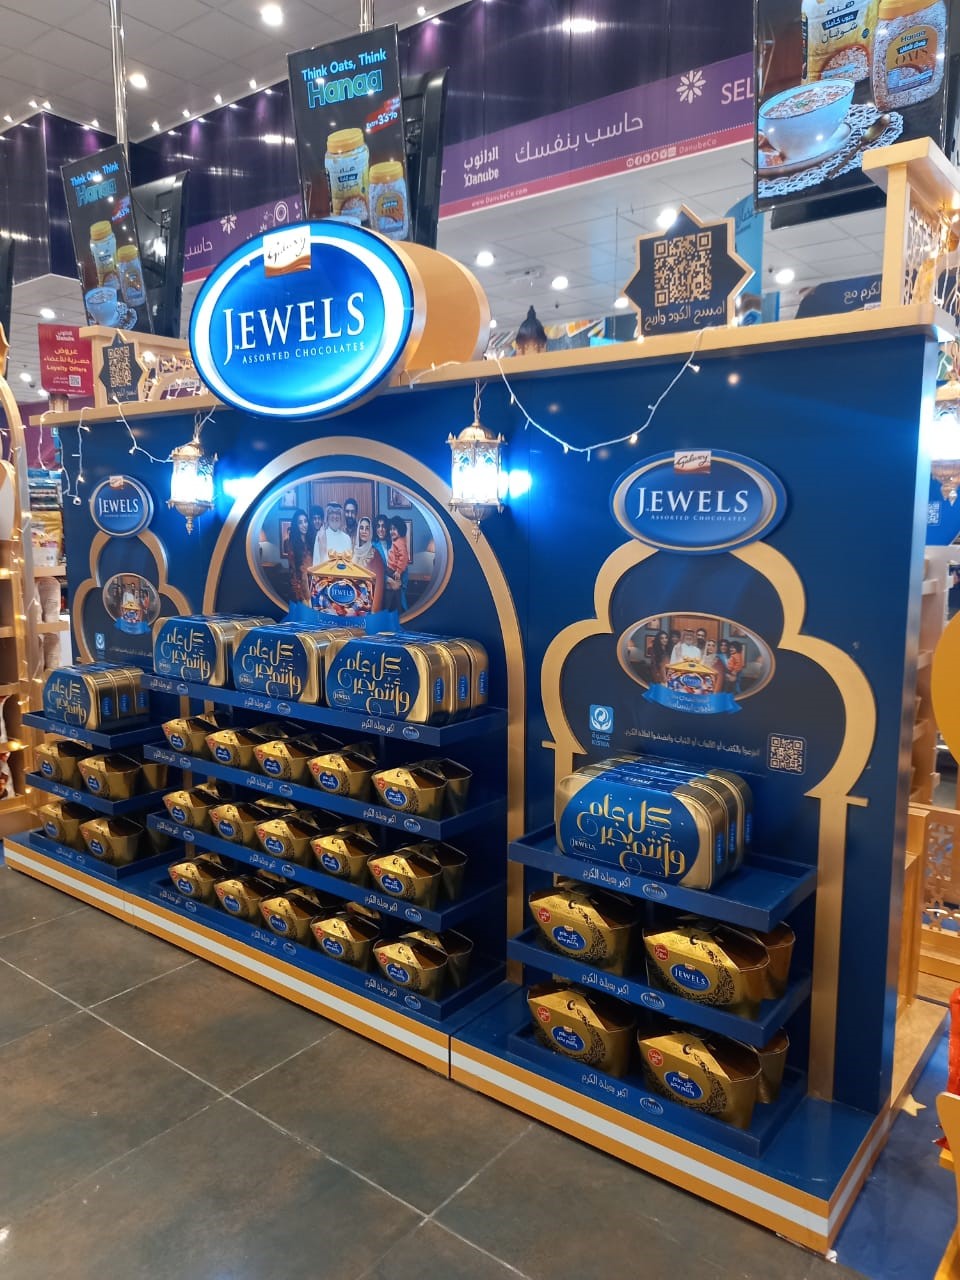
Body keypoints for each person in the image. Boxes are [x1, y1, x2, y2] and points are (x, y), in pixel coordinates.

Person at [353, 515, 385, 609]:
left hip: (367, 605)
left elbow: (379, 585)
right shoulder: (352, 552)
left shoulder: (375, 554)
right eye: (361, 528)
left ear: (370, 532)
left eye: (367, 528)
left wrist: (374, 609)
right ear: (358, 530)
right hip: (351, 601)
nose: (364, 531)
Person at [384, 515, 410, 612]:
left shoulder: (399, 542)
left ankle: (392, 610)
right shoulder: (396, 541)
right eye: (390, 529)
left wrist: (398, 571)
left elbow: (404, 557)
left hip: (393, 571)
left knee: (392, 595)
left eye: (394, 529)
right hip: (391, 570)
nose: (392, 531)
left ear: (401, 529)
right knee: (392, 594)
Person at [287, 508, 312, 604]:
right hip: (300, 590)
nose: (304, 525)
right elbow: (293, 571)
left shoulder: (311, 540)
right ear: (296, 525)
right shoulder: (292, 544)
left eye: (305, 521)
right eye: (300, 523)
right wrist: (300, 595)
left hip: (312, 585)